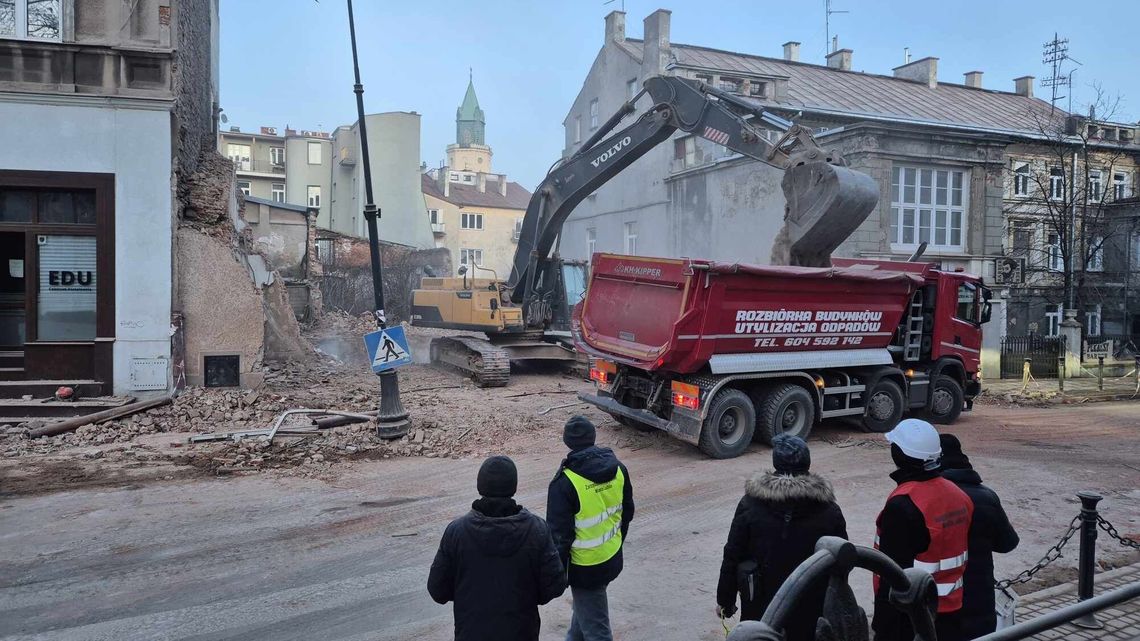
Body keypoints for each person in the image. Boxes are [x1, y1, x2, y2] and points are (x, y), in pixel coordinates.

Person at [715, 435, 848, 641]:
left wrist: (725, 600)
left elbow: (733, 553)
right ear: (808, 463)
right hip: (810, 605)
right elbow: (841, 563)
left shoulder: (751, 505)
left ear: (776, 463)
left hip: (760, 606)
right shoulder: (829, 511)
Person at [428, 455, 567, 641]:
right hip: (521, 632)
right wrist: (527, 596)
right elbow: (555, 585)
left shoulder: (457, 532)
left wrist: (468, 597)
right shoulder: (537, 530)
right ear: (513, 486)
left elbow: (438, 590)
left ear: (480, 486)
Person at [872, 419, 973, 641]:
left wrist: (882, 626)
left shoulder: (903, 505)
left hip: (911, 616)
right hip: (951, 610)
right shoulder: (959, 495)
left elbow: (892, 573)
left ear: (898, 455)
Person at [547, 416, 635, 641]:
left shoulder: (565, 482)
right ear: (593, 437)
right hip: (611, 556)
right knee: (585, 612)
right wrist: (614, 543)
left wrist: (557, 574)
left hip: (585, 567)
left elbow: (559, 537)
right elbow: (627, 512)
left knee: (597, 632)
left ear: (568, 442)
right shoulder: (618, 469)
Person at [939, 434, 1020, 639]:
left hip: (944, 604)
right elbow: (1007, 543)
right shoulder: (986, 496)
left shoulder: (933, 499)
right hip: (980, 601)